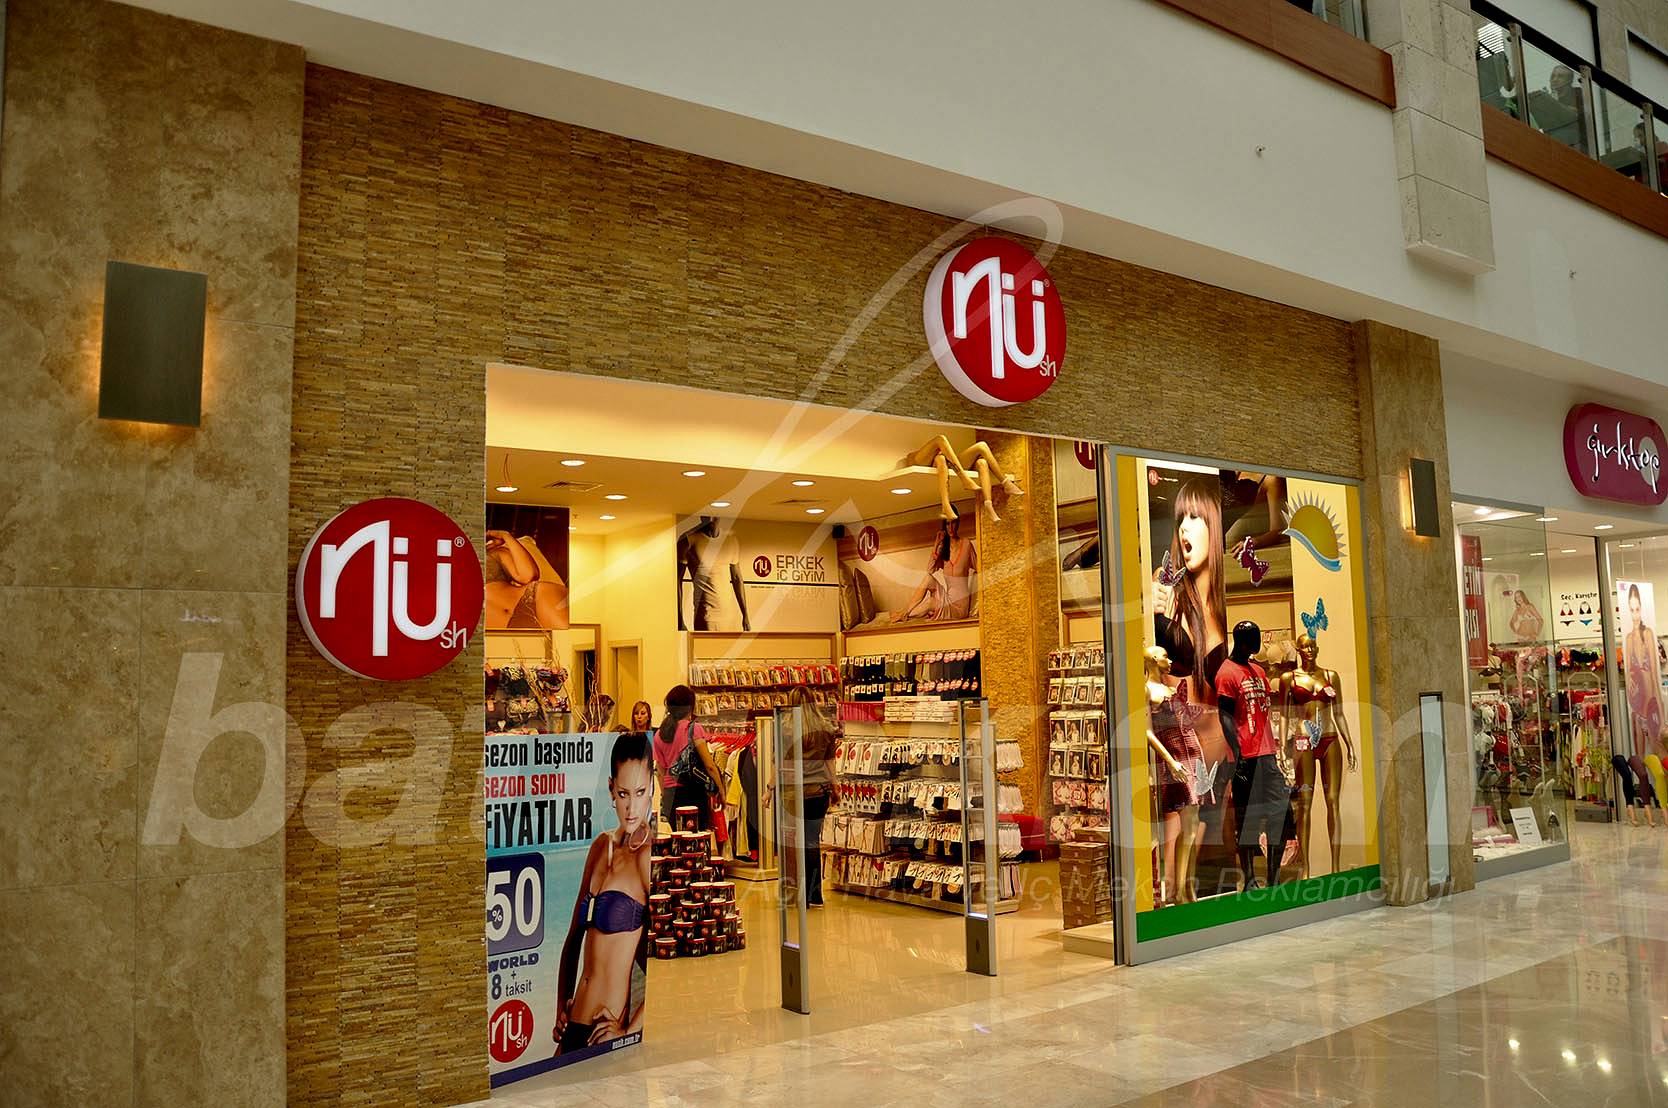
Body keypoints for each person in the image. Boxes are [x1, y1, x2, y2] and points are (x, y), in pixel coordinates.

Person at [552, 732, 653, 1056]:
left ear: (652, 786)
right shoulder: (600, 846)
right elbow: (572, 940)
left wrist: (629, 1029)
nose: (632, 807)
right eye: (623, 794)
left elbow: (658, 960)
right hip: (574, 1022)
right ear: (611, 789)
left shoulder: (646, 857)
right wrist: (560, 1006)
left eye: (640, 792)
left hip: (604, 1027)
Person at [1153, 478, 1228, 761]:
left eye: (1194, 516)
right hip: (1177, 754)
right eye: (1180, 518)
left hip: (1221, 754)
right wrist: (1143, 608)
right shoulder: (1165, 587)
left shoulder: (1224, 608)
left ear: (1215, 526)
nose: (1184, 526)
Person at [777, 686, 838, 906]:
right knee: (812, 842)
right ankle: (815, 895)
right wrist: (835, 787)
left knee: (793, 844)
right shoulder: (825, 728)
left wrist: (769, 788)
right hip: (818, 791)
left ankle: (797, 894)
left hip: (793, 792)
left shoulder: (784, 729)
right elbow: (829, 763)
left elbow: (780, 763)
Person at [652, 685, 723, 829]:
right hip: (693, 791)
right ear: (690, 707)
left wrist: (666, 797)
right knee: (696, 837)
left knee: (678, 837)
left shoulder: (659, 734)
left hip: (671, 795)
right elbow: (709, 765)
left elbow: (660, 772)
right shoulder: (694, 729)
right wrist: (721, 790)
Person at [891, 510, 978, 622]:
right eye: (947, 524)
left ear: (958, 523)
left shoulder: (966, 545)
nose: (951, 527)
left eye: (953, 522)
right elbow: (930, 570)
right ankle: (904, 612)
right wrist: (936, 543)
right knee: (928, 578)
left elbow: (979, 567)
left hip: (959, 608)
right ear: (944, 526)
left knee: (930, 602)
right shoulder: (944, 549)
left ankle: (903, 614)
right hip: (948, 599)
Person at [484, 529, 569, 629]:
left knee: (574, 637)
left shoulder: (493, 553)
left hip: (533, 601)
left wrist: (506, 536)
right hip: (500, 629)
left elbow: (529, 575)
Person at [677, 517, 750, 632]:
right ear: (702, 516)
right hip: (706, 616)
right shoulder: (688, 540)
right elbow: (677, 581)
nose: (711, 518)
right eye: (708, 514)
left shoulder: (731, 540)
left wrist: (745, 615)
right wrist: (680, 619)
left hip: (731, 617)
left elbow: (737, 579)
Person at [1623, 584, 1665, 753]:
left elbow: (1654, 676)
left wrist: (1662, 716)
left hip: (1651, 704)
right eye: (1631, 610)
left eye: (1637, 609)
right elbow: (1628, 674)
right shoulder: (1628, 639)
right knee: (1639, 758)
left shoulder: (1648, 634)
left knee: (1659, 751)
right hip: (1636, 707)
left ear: (1641, 609)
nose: (1635, 615)